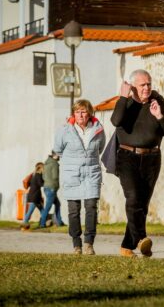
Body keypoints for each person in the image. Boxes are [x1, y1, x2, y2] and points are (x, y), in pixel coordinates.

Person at [111, 69, 164, 257]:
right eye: (142, 85)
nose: (147, 87)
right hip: (127, 158)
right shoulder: (126, 104)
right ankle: (141, 239)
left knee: (142, 204)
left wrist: (159, 116)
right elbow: (116, 121)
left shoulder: (157, 105)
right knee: (133, 199)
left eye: (149, 83)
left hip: (152, 159)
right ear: (133, 87)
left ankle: (126, 246)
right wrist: (123, 97)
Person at [54, 99, 106, 255]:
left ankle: (89, 243)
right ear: (73, 114)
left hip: (91, 173)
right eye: (77, 112)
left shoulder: (98, 129)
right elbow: (58, 149)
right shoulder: (65, 130)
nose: (80, 115)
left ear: (89, 113)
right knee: (73, 210)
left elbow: (100, 148)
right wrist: (72, 162)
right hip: (72, 175)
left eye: (83, 111)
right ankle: (77, 245)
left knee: (91, 208)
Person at [39, 151, 65, 228]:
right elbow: (55, 176)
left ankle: (59, 222)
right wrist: (56, 186)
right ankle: (42, 223)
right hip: (52, 188)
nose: (60, 156)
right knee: (48, 207)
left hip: (46, 187)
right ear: (55, 155)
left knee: (57, 204)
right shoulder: (54, 164)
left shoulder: (46, 163)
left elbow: (43, 176)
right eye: (59, 155)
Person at [20, 162, 44, 230]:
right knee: (31, 211)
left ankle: (43, 223)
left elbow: (31, 184)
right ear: (40, 168)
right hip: (35, 196)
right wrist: (46, 181)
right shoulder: (38, 175)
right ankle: (24, 223)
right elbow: (41, 184)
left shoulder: (33, 175)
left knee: (42, 210)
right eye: (43, 168)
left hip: (32, 195)